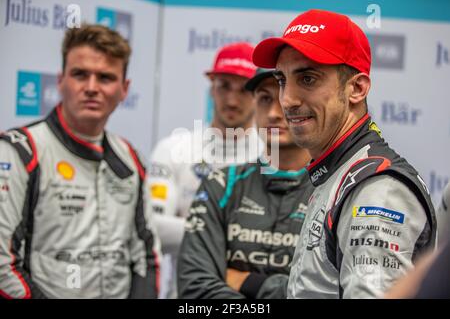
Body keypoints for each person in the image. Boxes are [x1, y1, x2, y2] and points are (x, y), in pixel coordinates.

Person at [252, 9, 436, 298]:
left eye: (308, 79)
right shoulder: (341, 172)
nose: (286, 100)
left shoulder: (378, 192)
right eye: (282, 80)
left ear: (357, 88)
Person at [0, 24, 161, 299]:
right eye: (80, 74)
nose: (91, 88)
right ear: (61, 81)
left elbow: (146, 255)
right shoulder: (20, 151)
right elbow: (3, 266)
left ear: (124, 89)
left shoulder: (129, 157)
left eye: (105, 78)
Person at [177, 68, 313, 299]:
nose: (273, 113)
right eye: (265, 99)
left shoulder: (337, 191)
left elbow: (332, 291)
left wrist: (247, 281)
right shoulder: (220, 184)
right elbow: (195, 288)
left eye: (283, 100)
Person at [148, 42, 264, 298]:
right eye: (224, 86)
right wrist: (235, 232)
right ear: (212, 88)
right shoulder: (173, 148)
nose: (232, 100)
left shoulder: (271, 156)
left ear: (258, 93)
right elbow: (153, 227)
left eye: (244, 88)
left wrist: (197, 230)